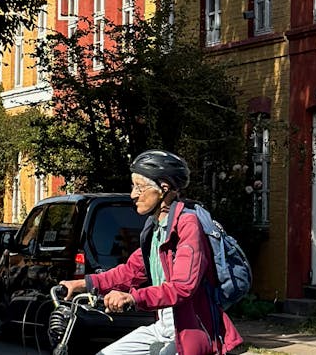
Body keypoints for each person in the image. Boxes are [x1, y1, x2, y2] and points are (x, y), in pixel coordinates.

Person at [59, 150, 243, 355]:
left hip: (188, 330)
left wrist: (132, 299)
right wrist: (83, 284)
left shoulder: (187, 225)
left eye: (140, 187)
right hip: (162, 329)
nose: (133, 194)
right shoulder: (155, 228)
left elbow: (183, 287)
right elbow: (130, 271)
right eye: (133, 186)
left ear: (164, 188)